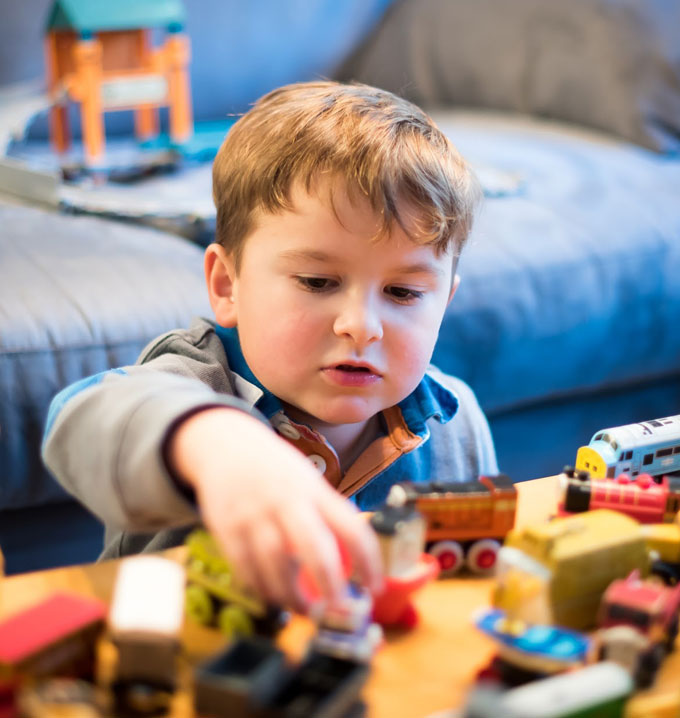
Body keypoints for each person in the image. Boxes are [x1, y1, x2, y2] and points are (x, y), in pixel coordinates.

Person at [42, 81, 498, 612]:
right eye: (316, 281)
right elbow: (79, 421)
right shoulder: (192, 381)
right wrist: (214, 442)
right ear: (228, 286)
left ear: (443, 302)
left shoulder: (455, 423)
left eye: (403, 292)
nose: (361, 326)